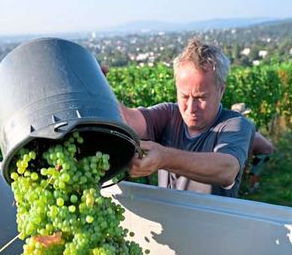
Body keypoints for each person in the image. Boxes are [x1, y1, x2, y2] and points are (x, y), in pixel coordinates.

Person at [114, 38, 255, 198]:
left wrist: (165, 158)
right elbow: (126, 119)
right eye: (184, 96)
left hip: (212, 223)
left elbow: (227, 168)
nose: (191, 107)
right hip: (167, 220)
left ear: (221, 90)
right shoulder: (168, 114)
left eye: (201, 98)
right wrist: (97, 89)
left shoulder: (234, 124)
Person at [230, 103, 274, 194]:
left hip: (264, 153)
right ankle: (253, 187)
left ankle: (253, 189)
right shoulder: (248, 126)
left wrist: (245, 165)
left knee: (254, 172)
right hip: (262, 151)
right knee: (254, 171)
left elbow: (249, 151)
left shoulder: (247, 130)